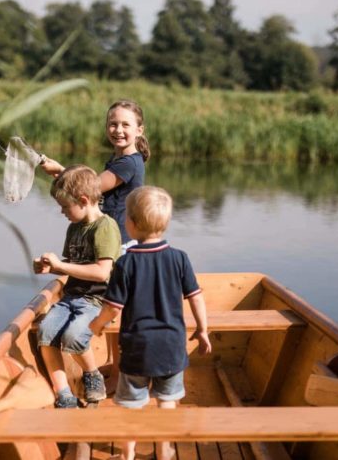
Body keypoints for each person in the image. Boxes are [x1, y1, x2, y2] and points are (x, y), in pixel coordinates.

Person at [89, 186, 212, 460]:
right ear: (166, 224)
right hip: (171, 347)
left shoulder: (126, 264)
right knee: (167, 401)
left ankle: (127, 455)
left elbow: (113, 308)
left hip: (136, 349)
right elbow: (196, 297)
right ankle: (163, 450)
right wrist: (203, 330)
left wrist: (96, 325)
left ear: (129, 224)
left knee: (131, 405)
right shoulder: (180, 258)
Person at [34, 165, 122, 408]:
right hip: (70, 296)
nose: (62, 212)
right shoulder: (74, 227)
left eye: (65, 206)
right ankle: (63, 392)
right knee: (45, 333)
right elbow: (73, 266)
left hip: (97, 300)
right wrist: (50, 267)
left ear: (83, 200)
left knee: (74, 337)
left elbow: (102, 273)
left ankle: (92, 375)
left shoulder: (105, 227)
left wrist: (61, 267)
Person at [40, 100, 149, 249]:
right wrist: (61, 172)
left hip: (119, 239)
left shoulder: (128, 163)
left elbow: (90, 187)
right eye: (113, 124)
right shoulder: (117, 158)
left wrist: (60, 170)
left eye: (125, 125)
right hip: (109, 234)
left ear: (139, 130)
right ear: (106, 128)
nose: (118, 130)